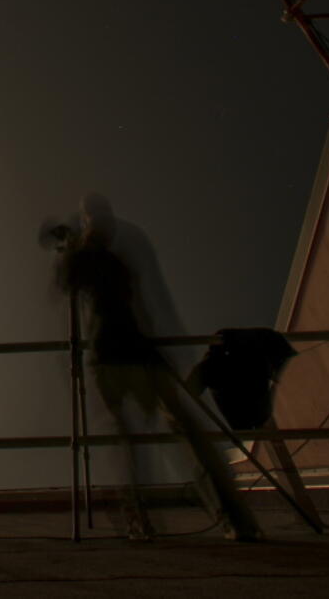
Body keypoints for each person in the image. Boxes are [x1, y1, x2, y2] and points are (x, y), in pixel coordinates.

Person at [49, 193, 261, 542]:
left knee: (170, 433)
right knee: (140, 440)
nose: (103, 225)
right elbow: (68, 285)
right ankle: (148, 520)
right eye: (97, 218)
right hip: (117, 358)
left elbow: (132, 305)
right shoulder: (90, 258)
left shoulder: (109, 261)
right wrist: (70, 248)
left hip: (135, 354)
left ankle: (230, 517)